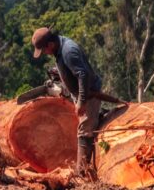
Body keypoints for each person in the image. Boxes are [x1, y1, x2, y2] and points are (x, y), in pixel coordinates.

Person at [31, 27, 102, 175]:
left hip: (89, 94)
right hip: (76, 92)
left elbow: (83, 75)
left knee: (84, 131)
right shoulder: (59, 48)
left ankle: (82, 172)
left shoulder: (68, 51)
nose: (44, 53)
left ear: (50, 45)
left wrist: (82, 102)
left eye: (43, 50)